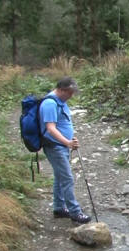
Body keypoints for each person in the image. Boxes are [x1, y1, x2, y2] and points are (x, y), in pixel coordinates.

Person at [40, 77, 92, 224]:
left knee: (59, 177)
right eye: (69, 93)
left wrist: (69, 138)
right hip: (54, 146)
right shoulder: (50, 103)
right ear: (61, 90)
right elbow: (50, 129)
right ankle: (75, 212)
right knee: (67, 178)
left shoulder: (60, 102)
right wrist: (68, 142)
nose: (71, 96)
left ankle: (59, 208)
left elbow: (63, 123)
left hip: (61, 146)